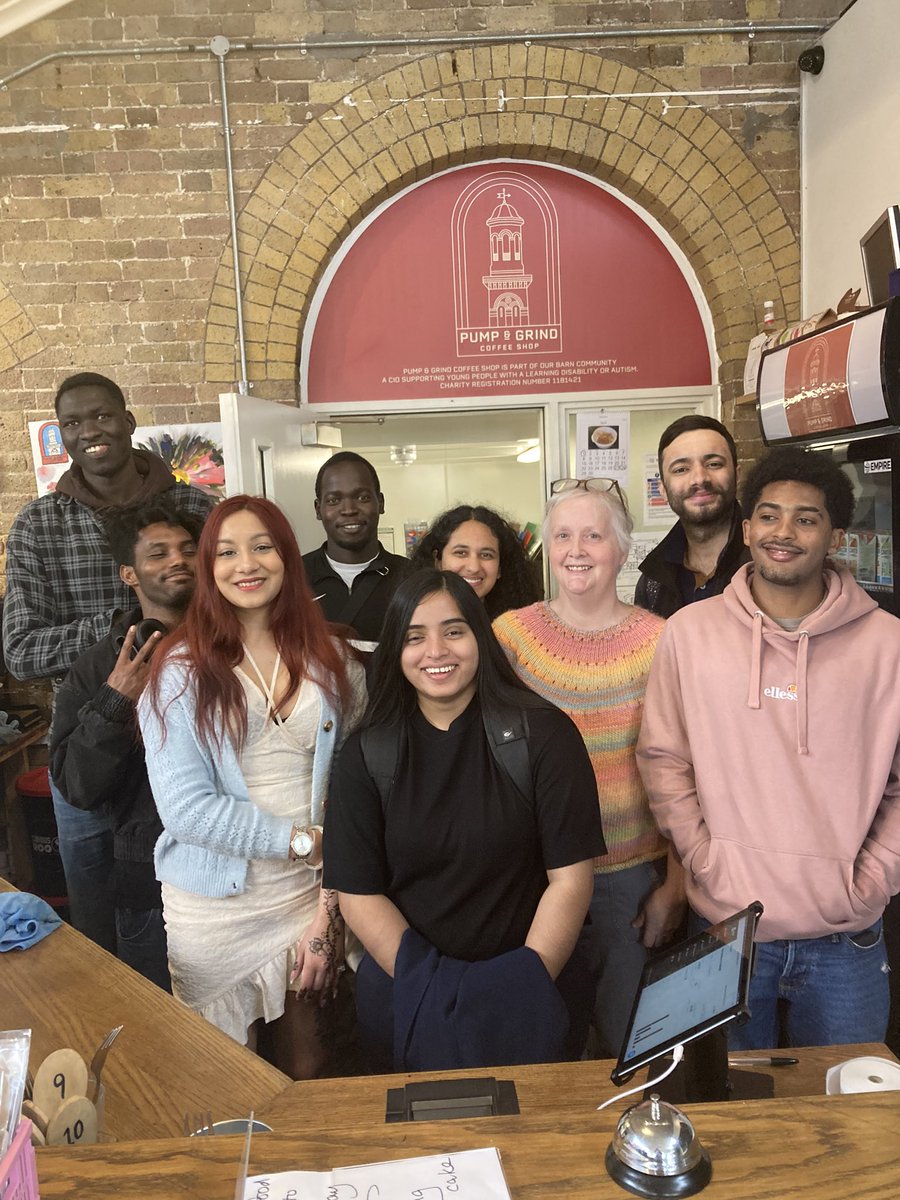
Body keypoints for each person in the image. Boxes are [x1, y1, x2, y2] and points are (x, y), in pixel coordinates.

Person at [637, 447, 900, 1048]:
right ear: (747, 525)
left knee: (851, 1119)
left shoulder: (889, 644)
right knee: (727, 1118)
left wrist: (873, 878)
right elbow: (664, 760)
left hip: (846, 939)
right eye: (768, 515)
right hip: (726, 928)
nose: (783, 533)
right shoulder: (690, 632)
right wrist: (706, 860)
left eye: (805, 519)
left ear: (835, 535)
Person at [324, 569, 605, 1072]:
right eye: (414, 636)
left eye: (453, 630)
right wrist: (428, 986)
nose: (436, 650)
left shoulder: (544, 736)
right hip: (407, 997)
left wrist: (522, 984)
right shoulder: (367, 754)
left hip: (530, 987)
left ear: (480, 636)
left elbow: (570, 880)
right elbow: (359, 893)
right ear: (395, 650)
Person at [139, 496, 366, 1078]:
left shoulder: (335, 660)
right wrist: (303, 843)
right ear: (210, 569)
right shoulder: (179, 669)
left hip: (306, 899)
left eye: (262, 546)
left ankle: (299, 1170)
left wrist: (330, 909)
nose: (248, 564)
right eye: (227, 551)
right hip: (214, 908)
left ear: (287, 557)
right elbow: (186, 811)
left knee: (309, 1062)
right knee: (223, 1075)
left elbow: (354, 790)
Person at [2, 371, 214, 953]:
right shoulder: (40, 524)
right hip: (87, 747)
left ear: (128, 421)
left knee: (189, 911)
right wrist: (129, 628)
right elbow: (20, 650)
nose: (88, 431)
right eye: (72, 423)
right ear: (62, 436)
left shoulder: (194, 506)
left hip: (197, 737)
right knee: (101, 931)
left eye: (100, 416)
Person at [493, 478, 683, 1058]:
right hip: (530, 875)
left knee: (633, 1045)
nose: (577, 549)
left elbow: (688, 769)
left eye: (594, 536)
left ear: (622, 549)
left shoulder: (664, 640)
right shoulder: (509, 637)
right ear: (547, 547)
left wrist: (677, 883)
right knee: (538, 1041)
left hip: (630, 879)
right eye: (563, 535)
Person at [49, 501, 204, 990]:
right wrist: (115, 702)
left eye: (188, 549)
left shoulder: (238, 645)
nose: (178, 560)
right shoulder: (99, 667)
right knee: (158, 1036)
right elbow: (76, 784)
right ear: (129, 574)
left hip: (242, 870)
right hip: (148, 884)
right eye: (158, 553)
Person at [635, 415, 748, 617]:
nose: (699, 478)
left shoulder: (768, 562)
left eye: (714, 464)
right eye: (681, 469)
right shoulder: (652, 583)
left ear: (737, 475)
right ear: (663, 489)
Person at [302, 451, 412, 645]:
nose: (348, 510)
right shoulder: (293, 577)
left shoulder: (411, 577)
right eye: (334, 500)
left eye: (362, 497)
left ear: (381, 503)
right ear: (318, 509)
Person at [410, 503, 542, 619]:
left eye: (486, 555)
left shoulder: (517, 632)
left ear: (500, 568)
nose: (473, 567)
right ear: (437, 561)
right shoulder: (414, 620)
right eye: (461, 553)